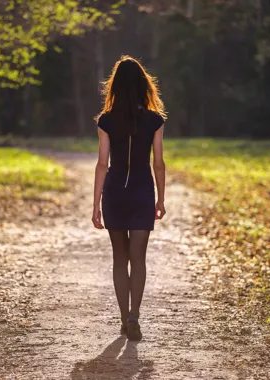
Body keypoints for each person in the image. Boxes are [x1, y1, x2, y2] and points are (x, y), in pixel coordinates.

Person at [91, 55, 167, 341]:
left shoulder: (106, 121)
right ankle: (135, 316)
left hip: (115, 194)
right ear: (143, 85)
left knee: (119, 259)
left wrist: (96, 204)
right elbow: (158, 163)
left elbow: (102, 164)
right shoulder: (155, 120)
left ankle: (124, 319)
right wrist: (161, 199)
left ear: (115, 87)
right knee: (139, 258)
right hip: (142, 192)